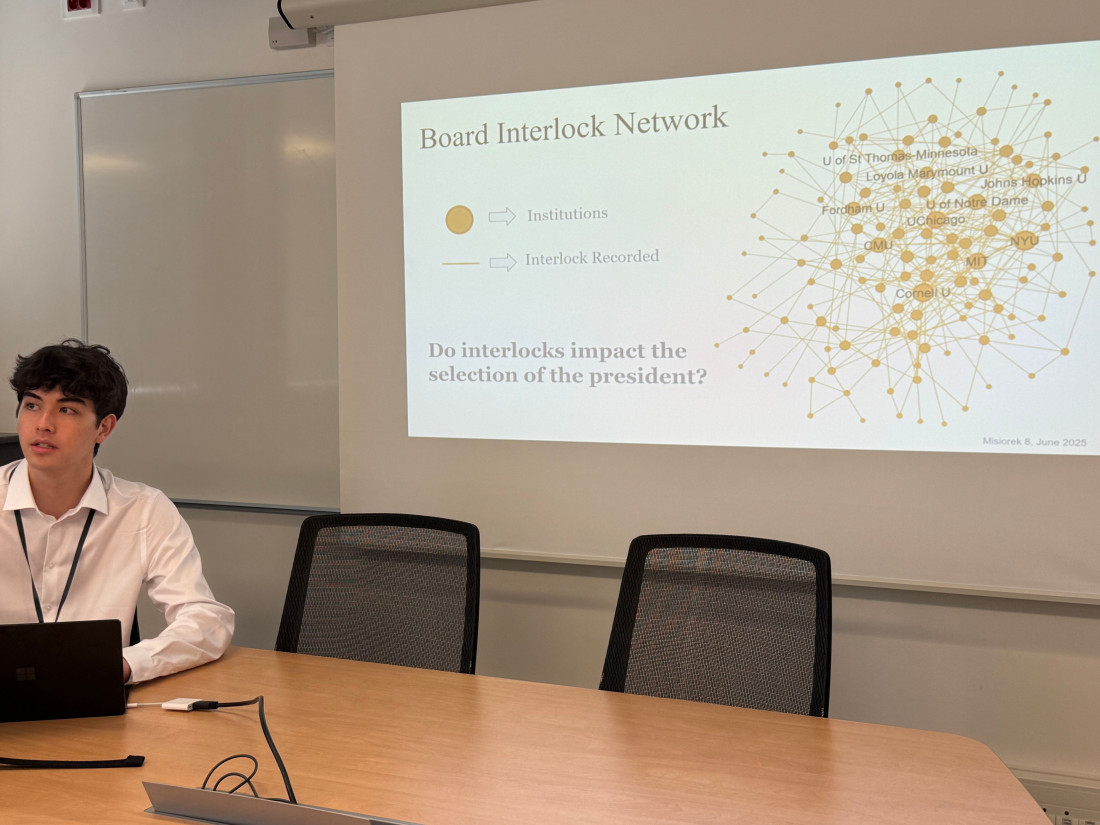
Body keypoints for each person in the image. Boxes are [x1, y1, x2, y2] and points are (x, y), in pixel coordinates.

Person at [1, 338, 233, 683]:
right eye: (32, 406)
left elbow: (207, 621)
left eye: (67, 410)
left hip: (94, 699)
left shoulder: (142, 510)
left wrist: (125, 664)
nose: (43, 424)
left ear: (104, 428)